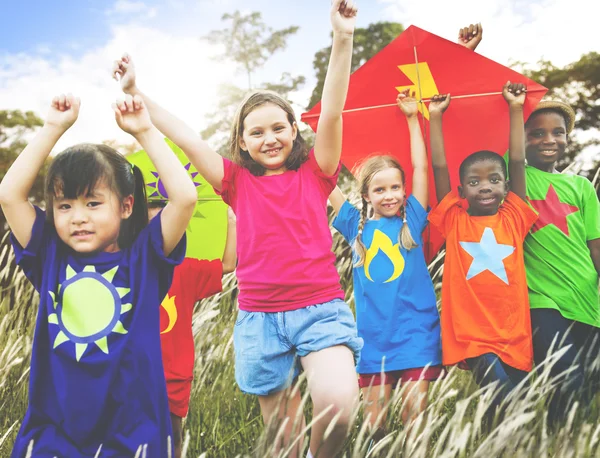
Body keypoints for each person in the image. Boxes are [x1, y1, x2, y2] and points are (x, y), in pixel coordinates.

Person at [112, 2, 362, 456]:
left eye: (278, 128)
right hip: (260, 319)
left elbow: (331, 113)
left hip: (319, 309)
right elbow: (187, 137)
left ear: (294, 131)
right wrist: (138, 94)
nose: (269, 139)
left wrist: (341, 39)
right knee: (283, 439)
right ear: (242, 142)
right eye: (256, 132)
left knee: (338, 405)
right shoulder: (235, 182)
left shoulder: (317, 172)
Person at [0, 93, 197, 457]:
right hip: (54, 430)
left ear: (125, 207)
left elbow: (184, 198)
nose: (78, 216)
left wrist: (145, 131)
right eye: (64, 205)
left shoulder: (145, 260)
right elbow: (10, 194)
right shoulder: (49, 256)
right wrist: (52, 129)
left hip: (133, 430)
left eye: (92, 203)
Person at [461, 25, 600, 426]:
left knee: (583, 394)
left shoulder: (581, 187)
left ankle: (556, 444)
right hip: (541, 301)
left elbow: (595, 247)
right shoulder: (507, 174)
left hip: (587, 300)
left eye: (557, 132)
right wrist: (468, 56)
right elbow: (471, 128)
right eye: (536, 133)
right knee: (566, 379)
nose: (548, 139)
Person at [329, 90, 442, 439]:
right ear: (365, 196)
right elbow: (324, 179)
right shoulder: (353, 226)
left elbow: (421, 167)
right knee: (375, 428)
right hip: (373, 339)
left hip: (415, 334)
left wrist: (413, 118)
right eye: (380, 190)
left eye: (396, 187)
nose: (389, 195)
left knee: (415, 423)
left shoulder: (413, 219)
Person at [427, 83, 538, 422]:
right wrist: (435, 118)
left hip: (514, 334)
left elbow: (517, 159)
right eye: (474, 183)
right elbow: (440, 169)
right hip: (472, 335)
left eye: (493, 180)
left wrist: (516, 109)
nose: (485, 186)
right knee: (500, 394)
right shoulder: (454, 219)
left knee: (515, 408)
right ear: (461, 191)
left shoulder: (515, 217)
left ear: (506, 186)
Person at [147, 200, 237, 458]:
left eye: (166, 224)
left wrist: (232, 220)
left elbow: (228, 265)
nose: (159, 231)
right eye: (151, 225)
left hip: (175, 371)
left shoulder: (186, 268)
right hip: (137, 370)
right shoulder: (130, 268)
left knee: (173, 436)